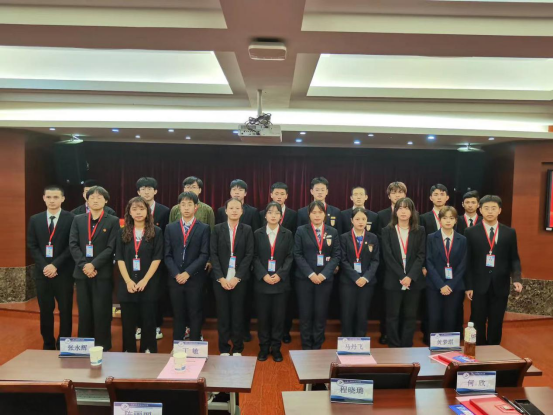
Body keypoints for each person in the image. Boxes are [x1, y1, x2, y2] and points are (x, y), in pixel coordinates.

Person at [464, 195, 522, 345]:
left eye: (493, 208)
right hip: (478, 285)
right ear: (480, 210)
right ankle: (479, 350)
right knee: (478, 320)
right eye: (486, 208)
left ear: (500, 210)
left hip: (500, 284)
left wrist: (517, 278)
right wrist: (469, 286)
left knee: (496, 321)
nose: (490, 211)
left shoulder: (509, 232)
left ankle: (494, 350)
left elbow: (514, 258)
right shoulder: (470, 232)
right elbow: (467, 261)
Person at [69, 186, 120, 350]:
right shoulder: (78, 219)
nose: (95, 200)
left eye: (99, 197)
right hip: (82, 273)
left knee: (102, 310)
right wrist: (84, 265)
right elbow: (73, 244)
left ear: (106, 200)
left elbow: (111, 247)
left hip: (102, 273)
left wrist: (94, 264)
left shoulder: (112, 221)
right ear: (87, 200)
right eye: (92, 197)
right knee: (84, 311)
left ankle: (102, 345)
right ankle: (85, 344)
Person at [27, 185, 75, 350]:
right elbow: (32, 245)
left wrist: (55, 265)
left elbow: (71, 245)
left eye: (56, 197)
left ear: (62, 199)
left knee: (65, 310)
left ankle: (64, 343)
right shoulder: (35, 219)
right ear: (44, 198)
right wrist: (45, 266)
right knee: (45, 310)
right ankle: (47, 343)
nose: (52, 200)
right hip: (43, 273)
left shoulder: (72, 218)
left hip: (64, 272)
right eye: (49, 197)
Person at [116, 197, 163, 353]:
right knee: (128, 322)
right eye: (134, 209)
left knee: (148, 321)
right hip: (127, 284)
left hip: (148, 284)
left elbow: (157, 258)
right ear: (129, 212)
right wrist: (128, 281)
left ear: (147, 212)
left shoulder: (156, 232)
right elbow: (120, 259)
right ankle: (128, 351)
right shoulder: (122, 232)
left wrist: (145, 280)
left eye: (141, 209)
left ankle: (148, 349)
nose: (138, 212)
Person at [216, 179, 260, 342]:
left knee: (243, 303)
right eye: (234, 189)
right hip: (224, 263)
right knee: (224, 306)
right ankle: (226, 335)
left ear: (245, 193)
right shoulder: (221, 211)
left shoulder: (252, 212)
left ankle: (243, 332)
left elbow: (255, 238)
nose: (237, 192)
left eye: (240, 189)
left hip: (243, 264)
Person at [294, 200, 340, 350]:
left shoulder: (332, 232)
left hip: (324, 280)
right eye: (314, 212)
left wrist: (323, 275)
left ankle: (317, 345)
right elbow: (297, 254)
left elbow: (336, 256)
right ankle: (306, 345)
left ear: (325, 214)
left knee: (320, 314)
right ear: (309, 214)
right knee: (305, 314)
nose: (317, 215)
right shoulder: (301, 230)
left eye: (320, 212)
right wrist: (311, 274)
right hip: (305, 279)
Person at [210, 198, 254, 355]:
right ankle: (223, 348)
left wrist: (237, 277)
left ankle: (237, 348)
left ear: (242, 211)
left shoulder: (247, 230)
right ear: (226, 211)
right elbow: (213, 254)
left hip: (239, 281)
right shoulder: (217, 229)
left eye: (237, 208)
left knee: (237, 314)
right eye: (231, 208)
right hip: (220, 280)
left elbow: (249, 255)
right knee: (223, 315)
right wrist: (221, 278)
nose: (234, 211)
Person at [165, 192, 210, 342]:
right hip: (175, 278)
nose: (186, 208)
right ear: (179, 207)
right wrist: (177, 274)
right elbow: (167, 255)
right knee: (178, 314)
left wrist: (188, 273)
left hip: (195, 278)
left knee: (195, 313)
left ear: (196, 207)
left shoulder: (204, 228)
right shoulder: (170, 228)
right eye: (183, 204)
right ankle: (177, 345)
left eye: (189, 204)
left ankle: (195, 343)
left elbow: (204, 255)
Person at [381, 197, 425, 348]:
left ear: (412, 211)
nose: (403, 211)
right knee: (392, 316)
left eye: (407, 208)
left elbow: (421, 255)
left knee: (410, 316)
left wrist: (410, 276)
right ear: (395, 211)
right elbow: (388, 256)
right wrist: (402, 276)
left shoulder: (419, 230)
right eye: (400, 208)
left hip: (414, 280)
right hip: (394, 279)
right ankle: (393, 345)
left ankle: (407, 345)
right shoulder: (387, 230)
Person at [253, 202, 294, 362]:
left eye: (277, 213)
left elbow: (290, 256)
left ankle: (276, 348)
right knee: (263, 318)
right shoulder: (257, 233)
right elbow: (254, 256)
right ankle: (263, 347)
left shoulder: (287, 234)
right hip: (262, 283)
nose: (273, 215)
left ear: (281, 217)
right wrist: (263, 274)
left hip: (280, 284)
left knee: (278, 318)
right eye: (270, 212)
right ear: (265, 215)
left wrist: (280, 274)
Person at [259, 182, 297, 343]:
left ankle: (283, 333)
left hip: (285, 270)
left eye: (282, 193)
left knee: (283, 308)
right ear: (271, 195)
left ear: (287, 196)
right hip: (264, 272)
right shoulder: (260, 220)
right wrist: (263, 273)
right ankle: (265, 341)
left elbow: (292, 251)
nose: (279, 196)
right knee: (264, 311)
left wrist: (282, 272)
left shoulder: (294, 215)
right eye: (276, 193)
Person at [136, 176, 170, 341]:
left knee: (156, 294)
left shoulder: (164, 211)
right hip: (137, 260)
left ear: (155, 191)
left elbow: (167, 236)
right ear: (138, 192)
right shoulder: (134, 208)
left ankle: (156, 326)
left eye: (149, 188)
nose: (146, 192)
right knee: (138, 294)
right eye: (143, 189)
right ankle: (139, 326)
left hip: (158, 260)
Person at [374, 181, 407, 345]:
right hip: (387, 266)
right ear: (388, 196)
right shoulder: (381, 215)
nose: (397, 195)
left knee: (405, 305)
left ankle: (402, 333)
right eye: (394, 192)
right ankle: (385, 332)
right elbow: (378, 240)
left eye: (400, 192)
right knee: (387, 303)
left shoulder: (413, 214)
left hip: (407, 268)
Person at [426, 206, 467, 335]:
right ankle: (434, 344)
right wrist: (441, 285)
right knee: (434, 318)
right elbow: (428, 262)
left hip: (455, 286)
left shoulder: (462, 239)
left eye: (451, 218)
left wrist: (450, 285)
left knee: (451, 318)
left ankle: (449, 345)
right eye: (444, 218)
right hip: (434, 285)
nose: (448, 221)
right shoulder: (431, 237)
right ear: (439, 220)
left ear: (456, 220)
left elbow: (463, 264)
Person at [339, 207, 380, 337]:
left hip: (367, 283)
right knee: (347, 312)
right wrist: (356, 277)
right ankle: (347, 340)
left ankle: (360, 340)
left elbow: (375, 260)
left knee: (363, 313)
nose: (360, 222)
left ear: (367, 220)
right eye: (357, 219)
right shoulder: (344, 237)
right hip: (348, 282)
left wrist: (365, 278)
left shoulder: (373, 238)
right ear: (352, 220)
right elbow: (343, 260)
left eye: (363, 219)